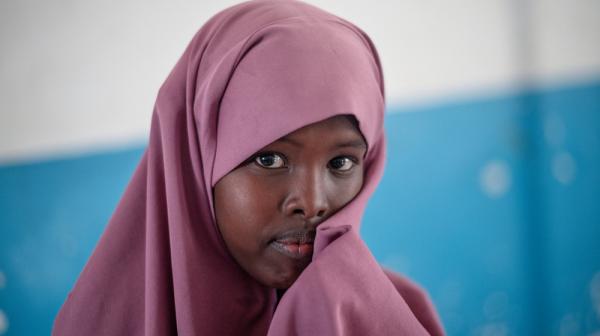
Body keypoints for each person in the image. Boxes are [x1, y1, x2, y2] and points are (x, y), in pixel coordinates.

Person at [52, 0, 445, 335]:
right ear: (196, 161)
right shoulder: (102, 323)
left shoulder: (398, 318)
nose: (311, 204)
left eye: (341, 162)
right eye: (269, 159)